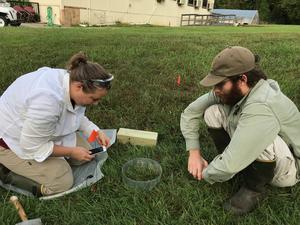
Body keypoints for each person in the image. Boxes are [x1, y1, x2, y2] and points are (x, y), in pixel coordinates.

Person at [180, 46, 300, 215]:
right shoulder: (233, 90)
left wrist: (205, 173)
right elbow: (190, 113)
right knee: (212, 112)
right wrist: (194, 153)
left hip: (289, 167)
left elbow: (230, 163)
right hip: (264, 149)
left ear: (242, 79)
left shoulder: (261, 106)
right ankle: (240, 169)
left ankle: (254, 189)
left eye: (220, 84)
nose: (215, 90)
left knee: (261, 139)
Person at [0, 52, 113, 196]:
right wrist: (71, 152)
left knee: (86, 154)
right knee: (62, 181)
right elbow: (31, 147)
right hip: (12, 142)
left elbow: (77, 114)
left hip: (39, 133)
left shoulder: (71, 80)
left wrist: (95, 132)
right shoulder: (46, 102)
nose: (96, 104)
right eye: (93, 99)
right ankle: (7, 174)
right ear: (79, 87)